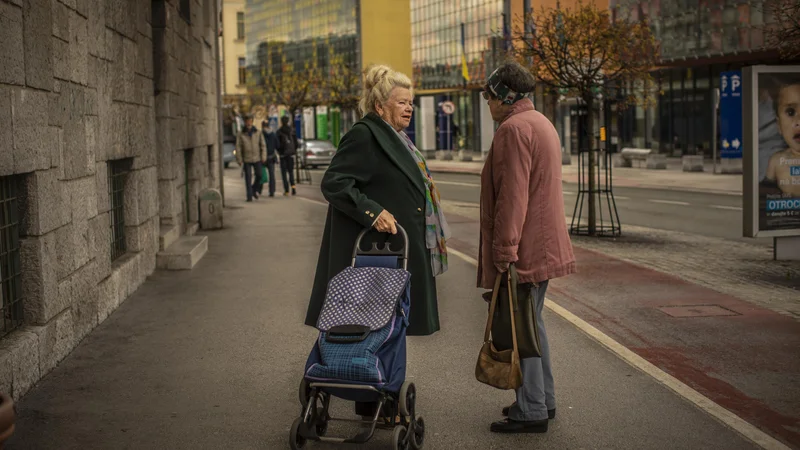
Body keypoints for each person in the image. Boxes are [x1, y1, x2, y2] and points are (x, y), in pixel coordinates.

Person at [305, 64, 450, 418]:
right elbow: (335, 183)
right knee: (370, 325)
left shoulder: (395, 137)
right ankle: (371, 397)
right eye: (401, 102)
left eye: (411, 103)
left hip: (391, 253)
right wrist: (373, 212)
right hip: (371, 255)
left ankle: (376, 396)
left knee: (386, 325)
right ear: (381, 105)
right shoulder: (365, 135)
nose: (409, 108)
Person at [478, 61, 576, 434]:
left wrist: (504, 253)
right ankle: (542, 400)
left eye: (489, 96)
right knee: (532, 326)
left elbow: (512, 199)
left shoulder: (513, 130)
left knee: (521, 329)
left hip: (525, 250)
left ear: (505, 96)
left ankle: (532, 409)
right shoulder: (540, 123)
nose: (487, 103)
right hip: (543, 244)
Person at [763, 79, 800, 196]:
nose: (798, 122)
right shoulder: (776, 161)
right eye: (790, 112)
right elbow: (765, 192)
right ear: (779, 125)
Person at [235, 114, 267, 202]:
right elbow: (238, 147)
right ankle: (249, 196)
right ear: (245, 122)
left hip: (257, 158)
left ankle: (253, 189)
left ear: (252, 121)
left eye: (250, 121)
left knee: (259, 175)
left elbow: (263, 145)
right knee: (248, 178)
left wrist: (263, 156)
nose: (248, 122)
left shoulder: (258, 132)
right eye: (247, 121)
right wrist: (239, 159)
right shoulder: (241, 134)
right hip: (247, 159)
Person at [277, 115, 298, 196]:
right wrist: (293, 151)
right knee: (291, 172)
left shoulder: (279, 132)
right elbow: (296, 143)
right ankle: (293, 188)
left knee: (284, 174)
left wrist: (280, 152)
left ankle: (286, 190)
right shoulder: (292, 131)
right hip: (290, 155)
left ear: (282, 122)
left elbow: (277, 144)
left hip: (283, 155)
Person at [261, 120, 280, 197]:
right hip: (271, 156)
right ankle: (272, 191)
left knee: (261, 173)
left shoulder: (261, 134)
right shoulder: (273, 134)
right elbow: (277, 145)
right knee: (272, 175)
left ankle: (259, 189)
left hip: (263, 157)